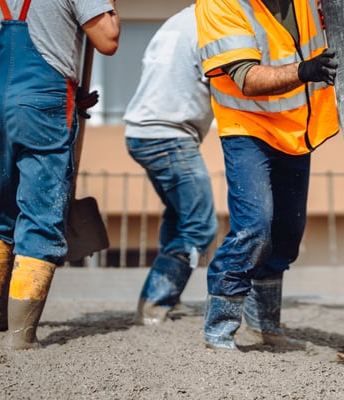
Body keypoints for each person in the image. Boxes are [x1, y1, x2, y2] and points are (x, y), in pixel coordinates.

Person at [195, 0, 339, 349]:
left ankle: (264, 327)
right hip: (248, 128)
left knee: (287, 233)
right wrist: (305, 70)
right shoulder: (219, 3)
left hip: (294, 127)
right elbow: (246, 78)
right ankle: (219, 331)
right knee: (254, 229)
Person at [0, 0, 120, 349]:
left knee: (6, 206)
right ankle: (21, 337)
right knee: (42, 215)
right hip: (44, 101)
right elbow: (107, 40)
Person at [123, 4, 218, 326]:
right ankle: (154, 306)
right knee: (201, 225)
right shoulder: (215, 23)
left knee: (180, 217)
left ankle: (165, 299)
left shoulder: (179, 21)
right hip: (168, 136)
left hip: (144, 132)